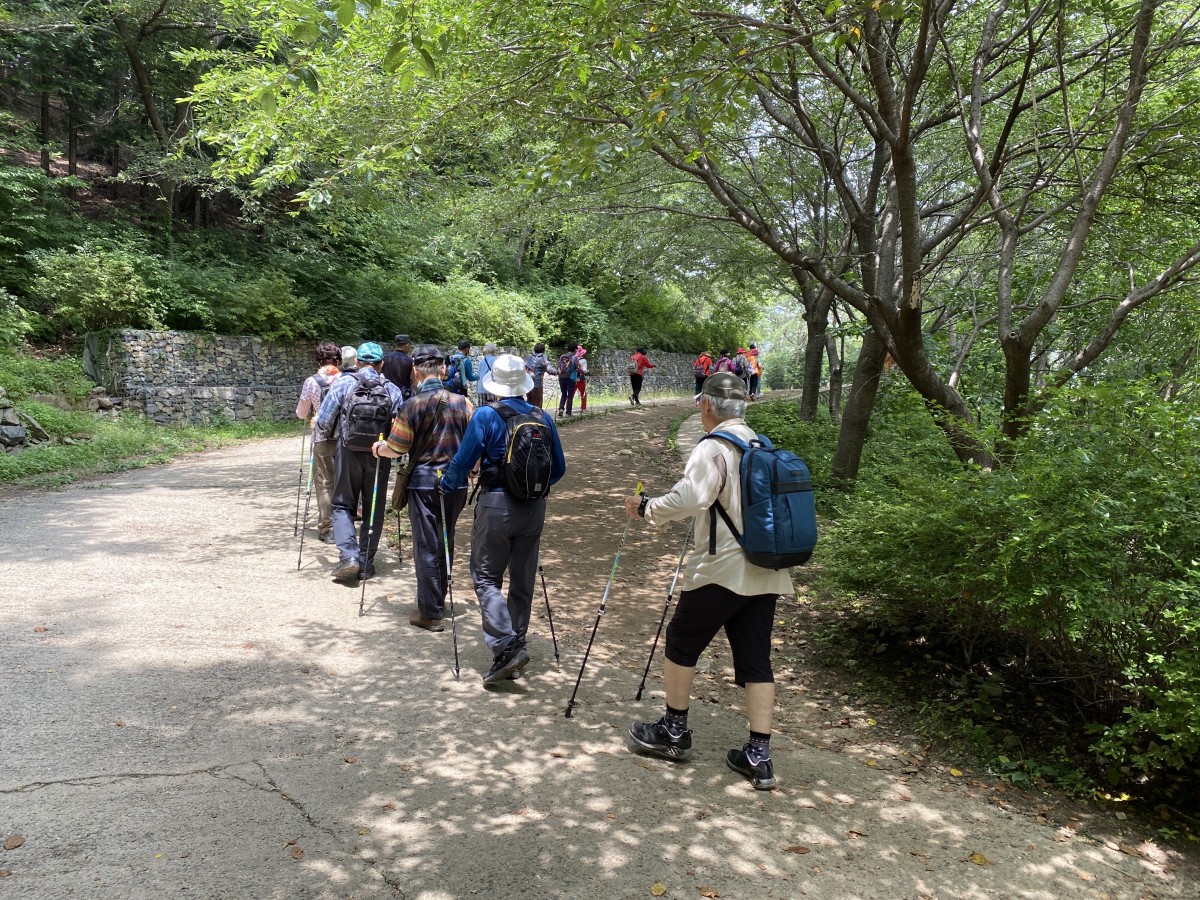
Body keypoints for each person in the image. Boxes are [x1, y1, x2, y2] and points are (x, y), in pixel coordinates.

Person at [623, 373, 792, 790]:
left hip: (722, 569)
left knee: (682, 641)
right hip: (766, 568)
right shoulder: (760, 444)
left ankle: (673, 731)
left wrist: (647, 507)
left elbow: (692, 498)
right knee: (756, 660)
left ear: (707, 406)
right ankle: (759, 755)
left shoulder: (713, 446)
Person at [440, 354, 567, 684]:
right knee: (523, 580)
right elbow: (559, 469)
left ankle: (506, 646)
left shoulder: (486, 415)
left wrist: (447, 485)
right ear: (523, 384)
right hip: (534, 508)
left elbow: (463, 460)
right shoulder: (542, 417)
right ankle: (516, 643)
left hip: (496, 505)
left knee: (485, 578)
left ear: (493, 385)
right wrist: (530, 487)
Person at [371, 345, 473, 631]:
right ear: (443, 369)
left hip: (423, 483)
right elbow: (473, 444)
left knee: (426, 544)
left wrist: (379, 448)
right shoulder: (464, 403)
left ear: (415, 371)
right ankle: (438, 599)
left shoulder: (412, 405)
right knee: (446, 538)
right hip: (455, 483)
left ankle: (430, 612)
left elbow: (397, 447)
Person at [316, 341, 405, 584]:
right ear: (381, 364)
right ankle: (366, 564)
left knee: (343, 504)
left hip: (348, 452)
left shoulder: (344, 383)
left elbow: (323, 421)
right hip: (380, 455)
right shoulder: (392, 389)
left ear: (357, 362)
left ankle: (349, 557)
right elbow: (400, 430)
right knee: (373, 507)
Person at [295, 341, 343, 543]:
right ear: (338, 360)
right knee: (344, 481)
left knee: (324, 483)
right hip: (344, 437)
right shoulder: (345, 379)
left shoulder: (311, 382)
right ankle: (345, 525)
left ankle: (327, 528)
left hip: (322, 437)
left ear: (318, 361)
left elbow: (301, 413)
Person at [381, 334, 415, 400]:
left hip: (387, 394)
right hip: (403, 396)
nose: (410, 348)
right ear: (407, 345)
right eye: (410, 346)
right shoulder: (409, 361)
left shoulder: (385, 358)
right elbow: (413, 379)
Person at [553, 345, 577, 418]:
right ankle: (568, 413)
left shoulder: (562, 357)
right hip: (571, 378)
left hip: (561, 377)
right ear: (575, 350)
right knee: (570, 395)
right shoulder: (574, 357)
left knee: (563, 394)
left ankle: (561, 409)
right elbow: (577, 367)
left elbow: (558, 366)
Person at [524, 342, 551, 408]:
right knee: (537, 404)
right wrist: (558, 372)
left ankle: (528, 414)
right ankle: (537, 415)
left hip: (528, 383)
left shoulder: (529, 357)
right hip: (537, 384)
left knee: (529, 402)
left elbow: (524, 367)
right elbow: (550, 370)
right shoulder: (543, 359)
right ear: (543, 351)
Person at [572, 345, 589, 412]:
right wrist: (587, 373)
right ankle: (583, 408)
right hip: (580, 379)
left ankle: (568, 408)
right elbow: (584, 370)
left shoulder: (572, 359)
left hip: (572, 379)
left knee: (570, 394)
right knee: (583, 393)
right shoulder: (583, 360)